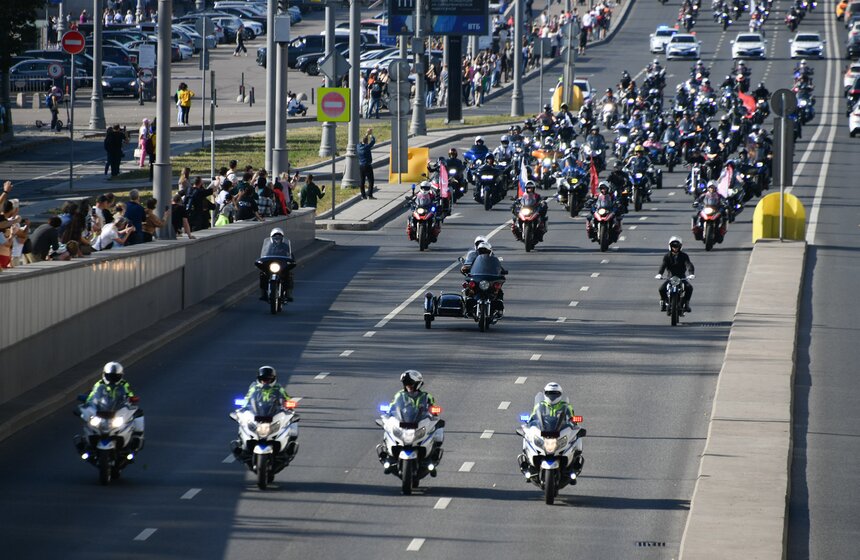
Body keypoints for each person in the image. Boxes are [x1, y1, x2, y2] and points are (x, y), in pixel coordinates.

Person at [376, 370, 442, 471]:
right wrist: (388, 411)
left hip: (419, 422)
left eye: (411, 383)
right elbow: (393, 406)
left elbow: (433, 409)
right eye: (406, 383)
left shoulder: (426, 396)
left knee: (437, 431)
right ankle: (387, 454)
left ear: (418, 384)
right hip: (403, 421)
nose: (408, 386)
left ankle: (433, 456)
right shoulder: (400, 395)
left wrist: (433, 411)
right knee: (387, 427)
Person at [520, 382, 584, 475]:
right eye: (550, 393)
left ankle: (575, 463)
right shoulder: (540, 406)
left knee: (577, 437)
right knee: (527, 436)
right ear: (545, 393)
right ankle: (527, 462)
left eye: (555, 394)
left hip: (559, 432)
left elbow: (573, 420)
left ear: (560, 394)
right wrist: (528, 423)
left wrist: (573, 423)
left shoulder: (566, 406)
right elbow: (532, 418)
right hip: (544, 431)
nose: (552, 396)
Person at [83, 361, 144, 449]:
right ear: (105, 374)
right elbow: (92, 395)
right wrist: (88, 402)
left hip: (118, 408)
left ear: (120, 376)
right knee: (89, 421)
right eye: (110, 376)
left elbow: (129, 394)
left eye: (115, 376)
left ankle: (138, 436)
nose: (112, 379)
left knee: (138, 413)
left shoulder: (124, 384)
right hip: (103, 408)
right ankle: (86, 443)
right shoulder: (99, 384)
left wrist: (131, 400)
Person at [656, 236, 695, 312]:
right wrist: (659, 274)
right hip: (670, 278)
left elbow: (689, 264)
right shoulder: (667, 256)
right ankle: (664, 302)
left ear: (680, 246)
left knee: (689, 288)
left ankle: (686, 303)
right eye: (673, 246)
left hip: (681, 278)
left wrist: (691, 273)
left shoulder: (684, 256)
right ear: (670, 246)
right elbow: (663, 265)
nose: (675, 248)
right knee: (661, 289)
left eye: (677, 246)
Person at [258, 227, 294, 301]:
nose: (277, 238)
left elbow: (290, 255)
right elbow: (263, 255)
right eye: (275, 236)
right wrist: (261, 261)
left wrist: (291, 261)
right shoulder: (268, 246)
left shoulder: (285, 246)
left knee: (289, 274)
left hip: (281, 266)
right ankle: (263, 293)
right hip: (271, 265)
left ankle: (288, 294)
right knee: (263, 274)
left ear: (282, 237)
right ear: (271, 237)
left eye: (279, 236)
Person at [358, 129, 376, 199]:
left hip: (361, 166)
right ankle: (369, 195)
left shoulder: (358, 147)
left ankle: (363, 195)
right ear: (367, 142)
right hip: (367, 166)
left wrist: (366, 134)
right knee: (371, 180)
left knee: (362, 181)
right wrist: (371, 134)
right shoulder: (367, 147)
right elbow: (373, 141)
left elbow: (362, 141)